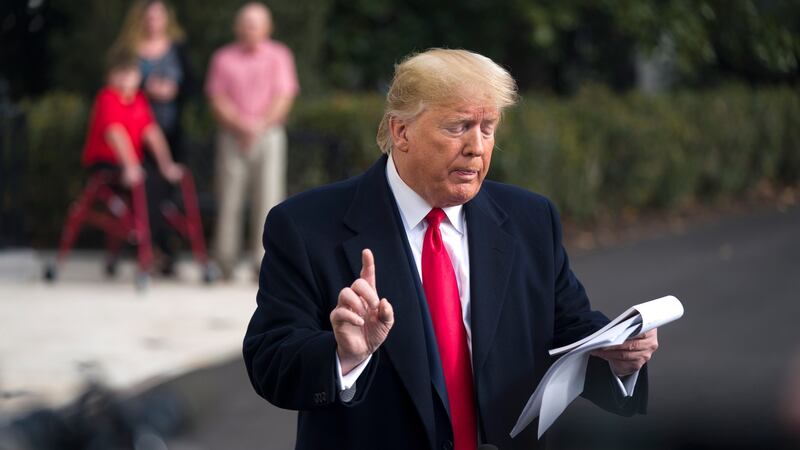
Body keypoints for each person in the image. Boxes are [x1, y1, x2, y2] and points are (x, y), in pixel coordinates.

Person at [243, 49, 659, 450]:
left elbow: (571, 334)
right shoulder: (306, 225)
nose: (477, 147)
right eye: (458, 127)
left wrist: (622, 357)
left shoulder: (531, 219)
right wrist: (342, 356)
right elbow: (270, 362)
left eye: (488, 128)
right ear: (400, 131)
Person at [205, 2, 299, 279]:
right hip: (233, 136)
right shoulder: (223, 58)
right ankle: (224, 262)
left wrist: (258, 126)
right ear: (237, 27)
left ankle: (264, 263)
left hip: (268, 135)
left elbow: (284, 97)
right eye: (246, 23)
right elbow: (217, 98)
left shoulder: (280, 55)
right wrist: (243, 125)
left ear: (267, 28)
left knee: (269, 199)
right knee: (228, 200)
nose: (250, 29)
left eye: (255, 24)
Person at [111, 0, 195, 275]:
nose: (153, 22)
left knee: (166, 191)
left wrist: (174, 90)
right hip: (134, 139)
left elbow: (191, 86)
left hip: (167, 135)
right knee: (147, 190)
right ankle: (151, 251)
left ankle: (162, 249)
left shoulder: (177, 48)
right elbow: (115, 127)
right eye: (148, 17)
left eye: (158, 17)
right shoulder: (127, 54)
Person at [82, 49, 182, 189]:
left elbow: (151, 132)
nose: (125, 78)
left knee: (155, 179)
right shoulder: (107, 97)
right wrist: (130, 165)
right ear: (109, 77)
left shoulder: (139, 99)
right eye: (120, 73)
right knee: (139, 178)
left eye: (130, 73)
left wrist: (166, 165)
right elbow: (114, 132)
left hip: (131, 161)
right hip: (105, 160)